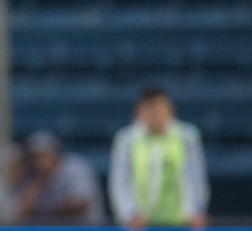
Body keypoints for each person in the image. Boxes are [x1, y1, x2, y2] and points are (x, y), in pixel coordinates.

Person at [109, 87, 209, 228]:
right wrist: (130, 214)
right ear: (139, 112)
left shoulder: (187, 136)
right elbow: (120, 181)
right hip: (140, 225)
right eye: (149, 108)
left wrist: (195, 211)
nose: (155, 113)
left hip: (180, 223)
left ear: (170, 110)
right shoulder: (126, 139)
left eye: (159, 107)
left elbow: (195, 177)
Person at [16, 131, 106, 225]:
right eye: (33, 158)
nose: (37, 162)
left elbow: (81, 205)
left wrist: (49, 214)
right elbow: (22, 213)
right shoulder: (33, 176)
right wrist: (36, 185)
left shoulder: (75, 168)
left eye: (41, 156)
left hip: (87, 227)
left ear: (54, 153)